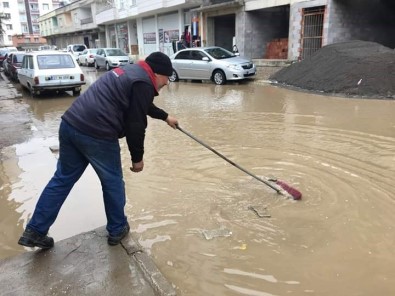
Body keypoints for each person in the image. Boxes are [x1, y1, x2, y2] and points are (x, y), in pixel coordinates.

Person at [18, 52, 178, 249]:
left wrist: (165, 116)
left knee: (62, 179)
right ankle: (118, 228)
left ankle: (35, 231)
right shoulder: (143, 82)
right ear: (158, 74)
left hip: (70, 125)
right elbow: (135, 124)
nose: (166, 83)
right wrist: (138, 159)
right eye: (167, 78)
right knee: (112, 182)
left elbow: (140, 103)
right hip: (97, 133)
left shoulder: (131, 72)